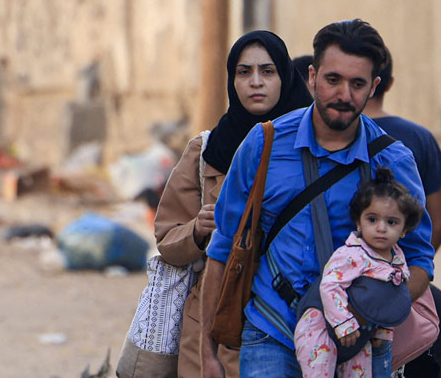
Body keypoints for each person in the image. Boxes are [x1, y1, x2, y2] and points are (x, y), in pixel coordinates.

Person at [200, 18, 435, 378]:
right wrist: (208, 354)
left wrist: (376, 310)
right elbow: (222, 248)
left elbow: (419, 260)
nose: (344, 95)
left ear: (373, 87)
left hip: (362, 343)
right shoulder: (264, 144)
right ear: (311, 77)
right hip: (272, 330)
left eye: (357, 84)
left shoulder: (393, 160)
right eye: (332, 80)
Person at [120, 30, 311, 378]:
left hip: (288, 319)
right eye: (244, 72)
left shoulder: (310, 150)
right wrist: (197, 230)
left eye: (268, 72)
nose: (256, 82)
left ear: (285, 76)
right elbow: (166, 237)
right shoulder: (207, 151)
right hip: (211, 324)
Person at [294, 167, 423, 377]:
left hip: (360, 334)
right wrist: (343, 322)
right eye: (372, 219)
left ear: (404, 229)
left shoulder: (398, 261)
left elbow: (389, 300)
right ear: (358, 222)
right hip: (321, 328)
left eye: (391, 222)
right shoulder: (352, 254)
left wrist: (384, 331)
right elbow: (330, 285)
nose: (381, 228)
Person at [361, 52, 441, 377]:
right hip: (405, 287)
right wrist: (406, 271)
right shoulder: (420, 138)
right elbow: (435, 219)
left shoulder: (331, 140)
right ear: (387, 84)